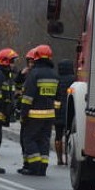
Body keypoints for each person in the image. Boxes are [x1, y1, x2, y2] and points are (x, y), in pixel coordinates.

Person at [18, 45, 60, 176]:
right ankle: (42, 167)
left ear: (36, 57)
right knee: (44, 140)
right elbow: (58, 99)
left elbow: (27, 98)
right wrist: (55, 113)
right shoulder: (54, 75)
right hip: (50, 115)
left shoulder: (34, 74)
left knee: (29, 139)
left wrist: (23, 115)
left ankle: (34, 166)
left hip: (34, 115)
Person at [54, 59, 75, 165]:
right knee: (69, 134)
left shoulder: (56, 79)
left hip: (58, 110)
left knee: (58, 135)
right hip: (70, 111)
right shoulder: (74, 80)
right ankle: (68, 158)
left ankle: (59, 159)